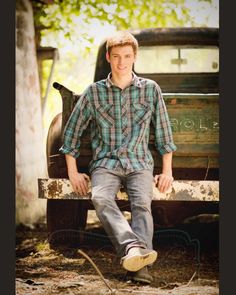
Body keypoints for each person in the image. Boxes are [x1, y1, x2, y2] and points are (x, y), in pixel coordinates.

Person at [59, 31, 177, 284]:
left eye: (127, 56)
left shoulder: (150, 90)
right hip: (106, 164)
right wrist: (72, 171)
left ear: (135, 57)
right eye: (116, 57)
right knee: (100, 197)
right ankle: (135, 249)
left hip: (139, 163)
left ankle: (138, 268)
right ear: (108, 58)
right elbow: (71, 134)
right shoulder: (94, 92)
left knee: (142, 205)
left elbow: (164, 133)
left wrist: (167, 170)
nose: (121, 62)